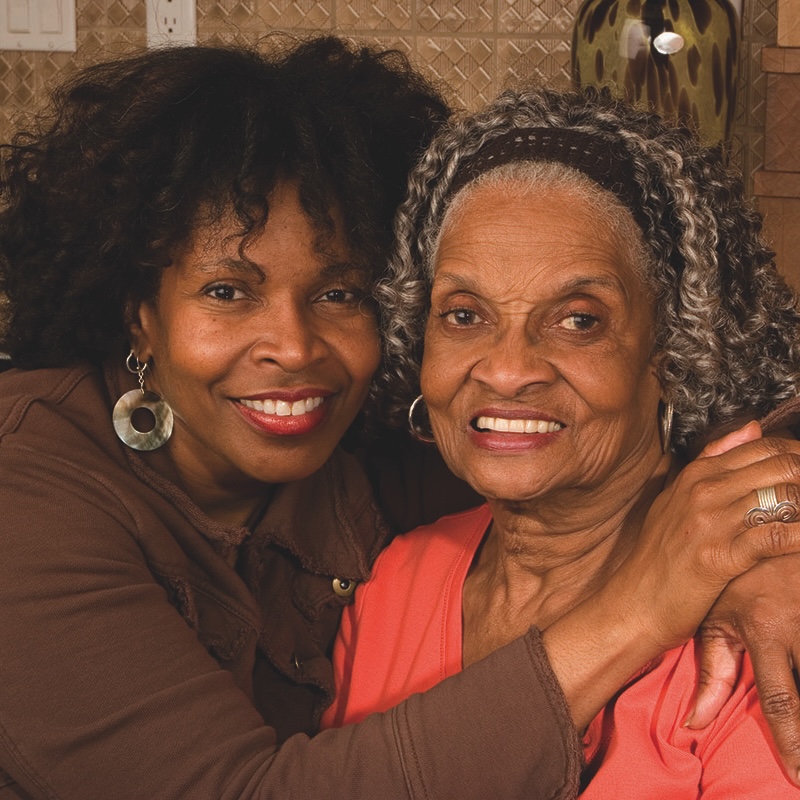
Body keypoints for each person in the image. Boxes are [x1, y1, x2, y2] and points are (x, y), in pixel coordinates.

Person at [1, 36, 799, 800]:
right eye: (227, 291)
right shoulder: (27, 501)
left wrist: (768, 532)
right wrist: (646, 602)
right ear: (138, 311)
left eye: (339, 292)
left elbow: (624, 422)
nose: (293, 346)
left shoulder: (368, 443)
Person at [323, 84, 800, 796]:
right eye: (463, 315)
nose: (508, 369)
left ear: (671, 352)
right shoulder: (394, 585)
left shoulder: (751, 624)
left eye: (578, 320)